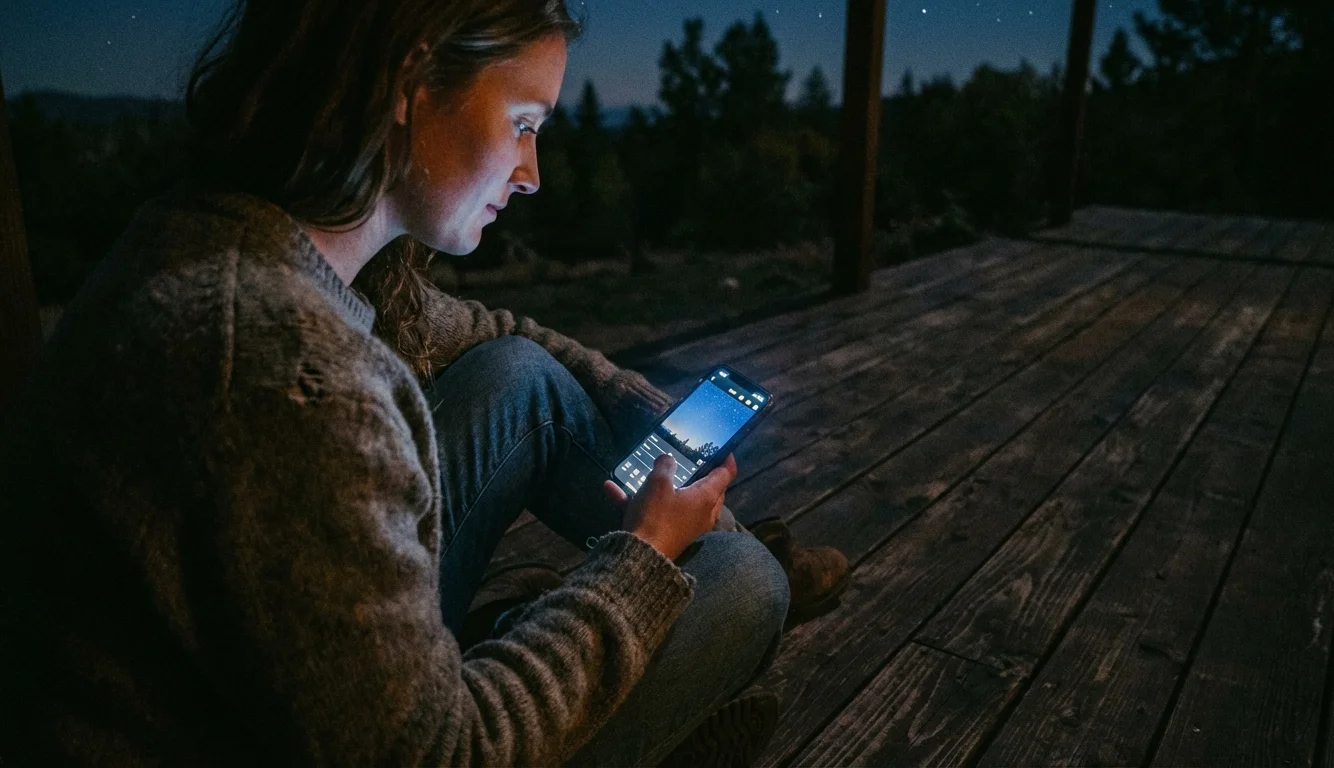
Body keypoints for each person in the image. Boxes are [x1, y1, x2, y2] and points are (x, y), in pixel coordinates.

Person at [0, 0, 850, 765]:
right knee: (744, 589)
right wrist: (644, 558)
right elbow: (442, 753)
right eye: (522, 122)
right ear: (408, 80)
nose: (532, 172)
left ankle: (564, 640)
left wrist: (646, 411)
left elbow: (501, 335)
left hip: (265, 692)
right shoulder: (291, 381)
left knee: (519, 375)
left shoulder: (257, 240)